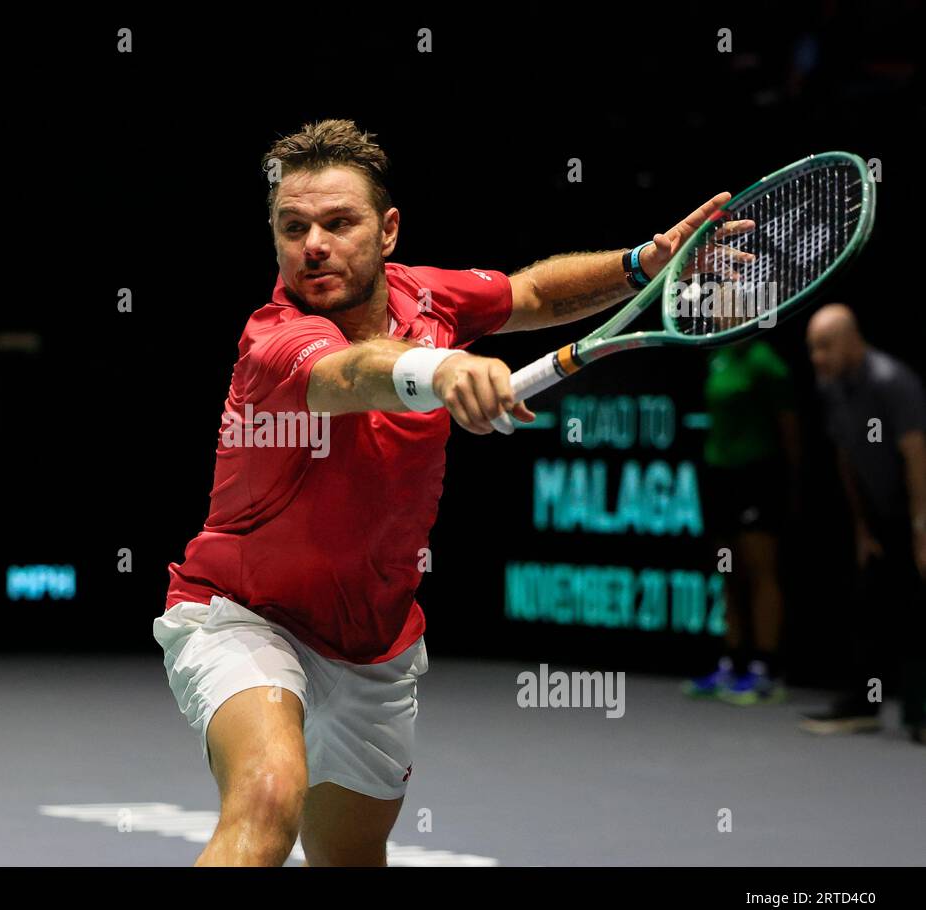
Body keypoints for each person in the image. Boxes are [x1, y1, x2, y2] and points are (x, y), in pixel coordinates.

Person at [154, 118, 744, 866]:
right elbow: (349, 376)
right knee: (268, 795)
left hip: (375, 645)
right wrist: (441, 372)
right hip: (243, 616)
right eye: (293, 227)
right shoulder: (273, 339)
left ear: (388, 230)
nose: (314, 246)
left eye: (339, 223)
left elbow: (529, 292)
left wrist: (642, 265)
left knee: (351, 857)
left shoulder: (432, 300)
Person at [802, 304, 926, 742]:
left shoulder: (892, 382)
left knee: (918, 612)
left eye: (825, 346)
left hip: (915, 508)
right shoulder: (831, 384)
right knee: (870, 607)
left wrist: (920, 529)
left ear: (853, 339)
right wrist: (861, 527)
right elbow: (846, 455)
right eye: (812, 349)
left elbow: (916, 455)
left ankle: (920, 716)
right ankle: (862, 705)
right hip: (877, 516)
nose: (817, 357)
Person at [684, 340, 801, 705]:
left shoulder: (767, 363)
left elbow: (789, 427)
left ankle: (765, 669)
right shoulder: (716, 358)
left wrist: (793, 483)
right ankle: (732, 663)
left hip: (759, 476)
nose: (717, 311)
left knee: (759, 571)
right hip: (721, 477)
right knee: (728, 572)